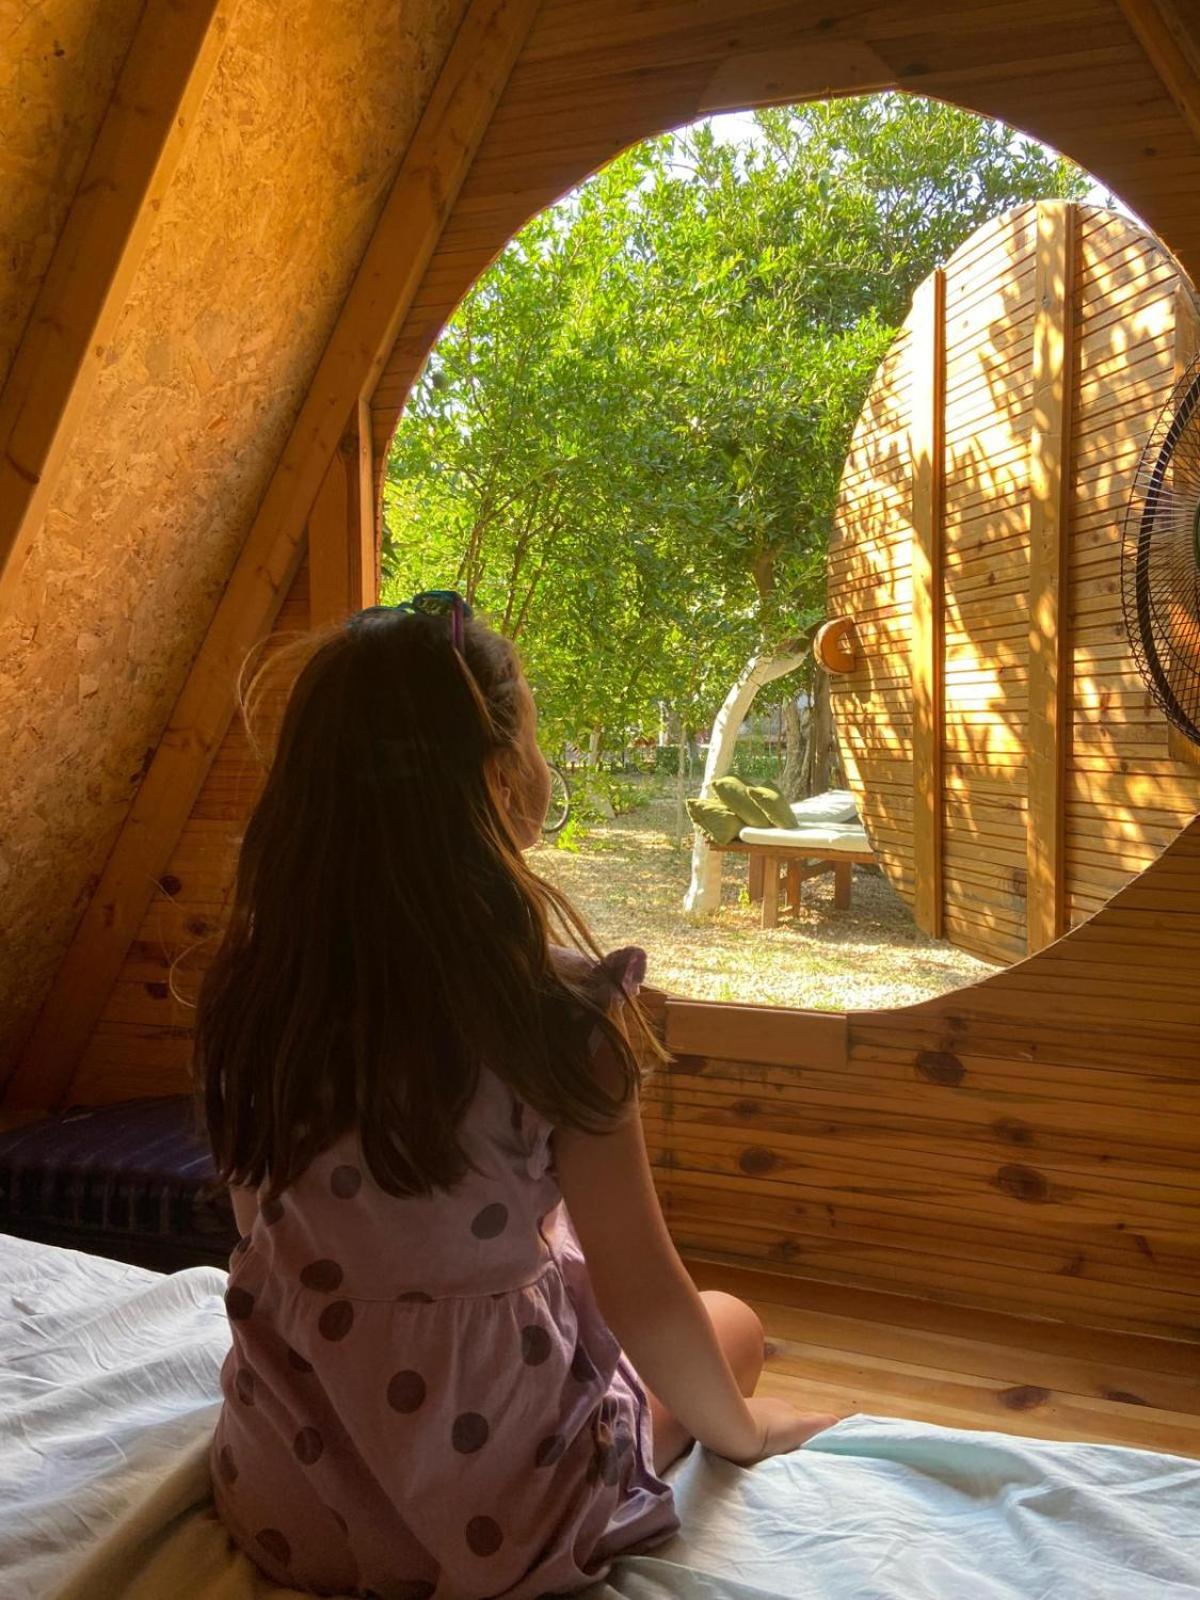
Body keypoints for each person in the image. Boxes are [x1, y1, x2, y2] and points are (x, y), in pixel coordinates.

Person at [197, 591, 837, 1600]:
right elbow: (643, 1290)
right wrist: (745, 1433)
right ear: (502, 779)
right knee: (735, 1324)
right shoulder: (559, 1013)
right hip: (504, 1519)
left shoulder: (254, 991)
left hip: (289, 1504)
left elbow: (269, 1234)